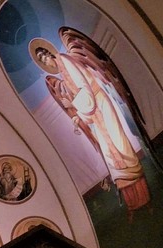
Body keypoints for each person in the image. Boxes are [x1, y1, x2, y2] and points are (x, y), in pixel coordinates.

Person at [33, 29, 152, 216]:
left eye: (44, 57)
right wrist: (76, 112)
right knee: (111, 155)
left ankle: (143, 195)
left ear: (49, 55)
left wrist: (77, 109)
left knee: (120, 147)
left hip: (100, 106)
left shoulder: (66, 61)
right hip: (94, 114)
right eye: (41, 60)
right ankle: (133, 203)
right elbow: (75, 95)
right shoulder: (62, 73)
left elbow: (85, 90)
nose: (45, 61)